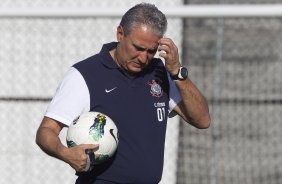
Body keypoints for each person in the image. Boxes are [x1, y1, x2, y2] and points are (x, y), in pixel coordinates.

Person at [36, 3, 210, 184]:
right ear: (120, 34)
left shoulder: (162, 73)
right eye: (138, 48)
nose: (143, 58)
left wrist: (178, 73)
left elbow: (202, 120)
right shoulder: (85, 74)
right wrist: (65, 153)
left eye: (151, 51)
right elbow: (46, 131)